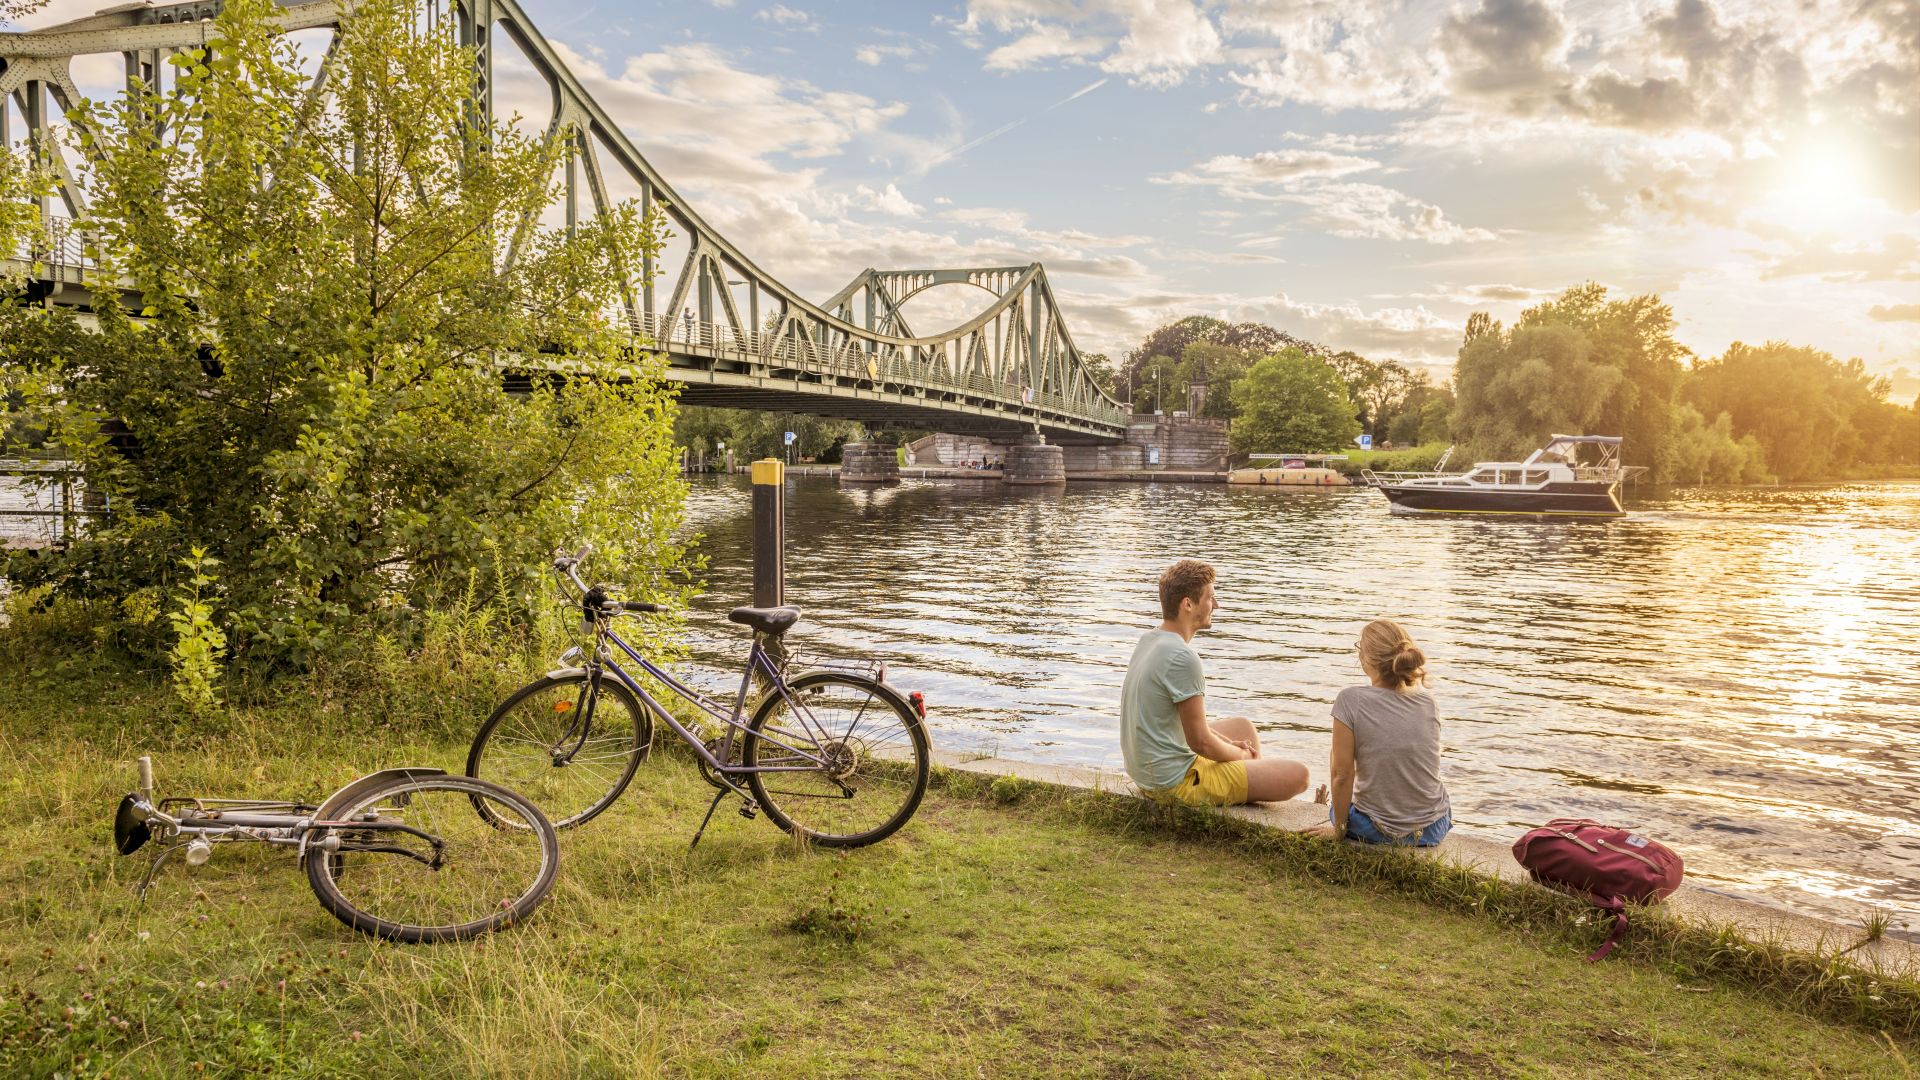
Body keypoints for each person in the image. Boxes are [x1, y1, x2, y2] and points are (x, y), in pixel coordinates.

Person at [1121, 560, 1312, 807]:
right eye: (1211, 597)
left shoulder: (1150, 641)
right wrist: (1241, 756)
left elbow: (1182, 724)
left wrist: (1231, 744)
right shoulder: (1183, 657)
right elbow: (1200, 742)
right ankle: (1243, 785)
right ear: (1188, 604)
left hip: (1149, 771)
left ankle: (1245, 779)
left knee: (1243, 728)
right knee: (1299, 776)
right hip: (1175, 782)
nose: (1217, 604)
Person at [1304, 619, 1452, 845]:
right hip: (1433, 828)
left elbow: (1342, 775)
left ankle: (1350, 816)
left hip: (1377, 829)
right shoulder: (1428, 701)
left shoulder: (1350, 700)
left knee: (1338, 761)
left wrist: (1339, 829)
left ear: (1368, 658)